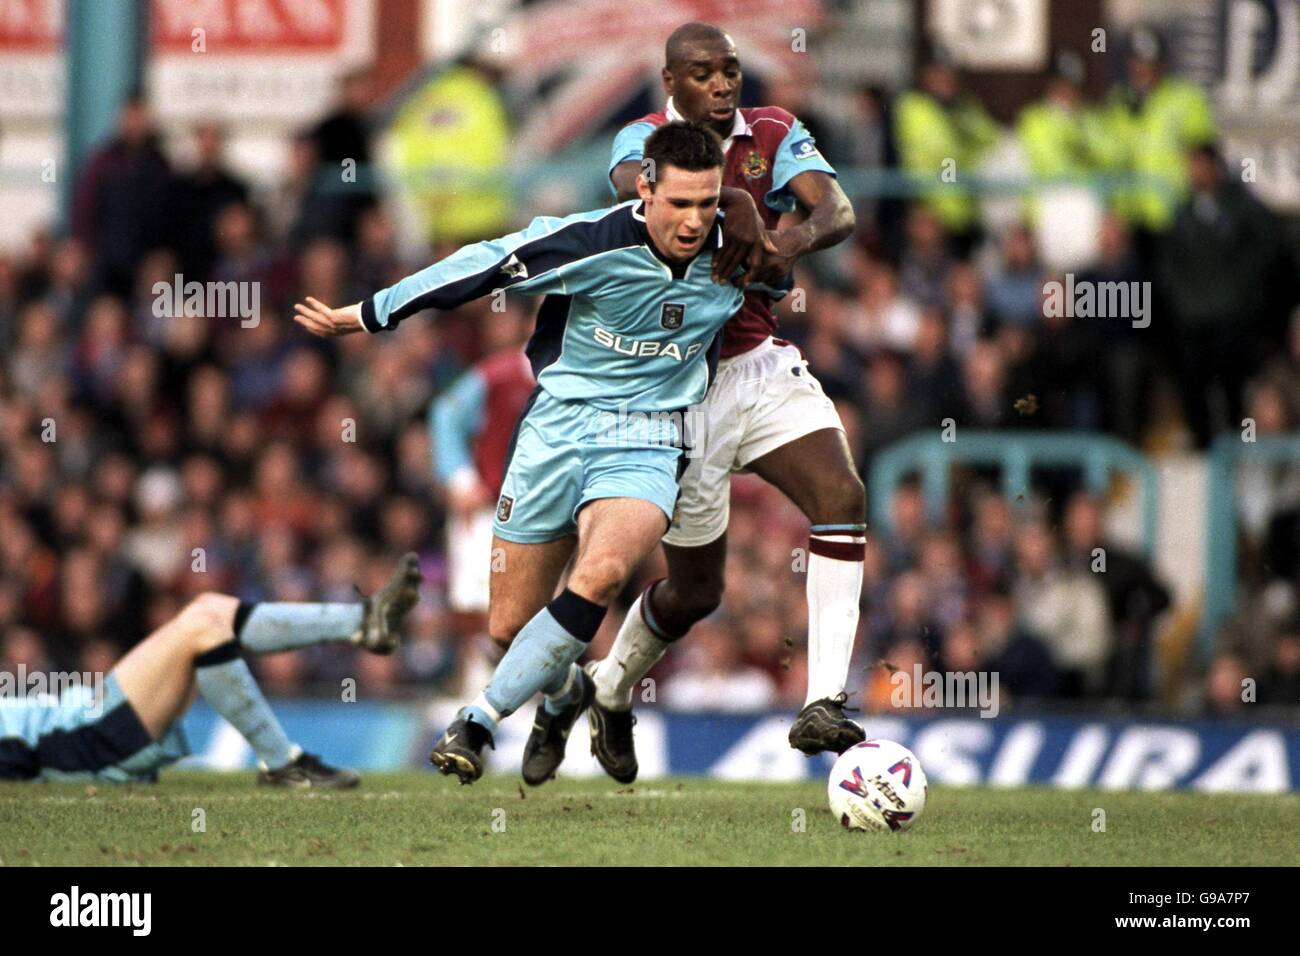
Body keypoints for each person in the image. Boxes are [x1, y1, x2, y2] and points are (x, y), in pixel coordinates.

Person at [294, 121, 773, 784]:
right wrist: (372, 312)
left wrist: (762, 221)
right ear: (645, 189)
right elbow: (481, 264)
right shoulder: (591, 241)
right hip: (556, 430)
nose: (695, 221)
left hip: (651, 436)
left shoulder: (738, 248)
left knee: (602, 572)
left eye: (709, 202)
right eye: (680, 203)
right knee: (506, 629)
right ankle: (566, 695)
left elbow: (823, 222)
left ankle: (476, 722)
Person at [533, 22, 865, 788]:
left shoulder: (773, 132)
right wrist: (735, 213)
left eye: (731, 69)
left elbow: (837, 211)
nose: (722, 83)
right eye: (702, 72)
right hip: (679, 386)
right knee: (696, 592)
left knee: (842, 495)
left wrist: (787, 243)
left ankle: (821, 701)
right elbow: (635, 199)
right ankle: (608, 690)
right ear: (670, 82)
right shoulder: (642, 141)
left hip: (758, 367)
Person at [0, 554, 422, 785]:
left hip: (83, 716)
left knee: (211, 611)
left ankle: (362, 622)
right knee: (203, 620)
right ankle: (282, 763)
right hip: (80, 741)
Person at [428, 309, 535, 692]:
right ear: (533, 324)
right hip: (488, 511)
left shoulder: (588, 383)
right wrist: (460, 479)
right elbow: (445, 414)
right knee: (474, 609)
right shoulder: (499, 374)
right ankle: (474, 698)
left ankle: (530, 703)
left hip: (548, 519)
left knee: (538, 615)